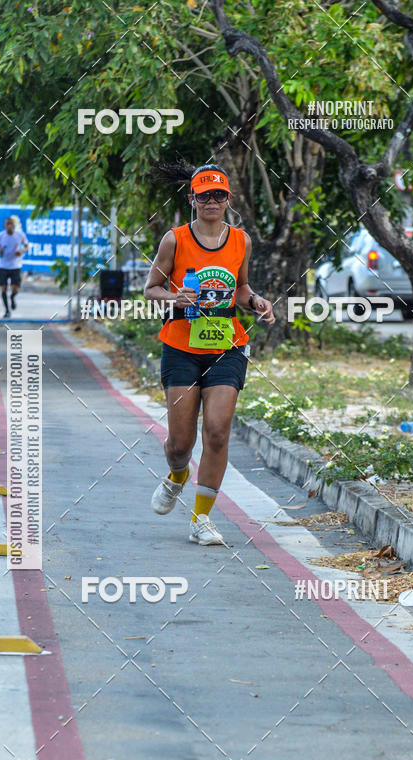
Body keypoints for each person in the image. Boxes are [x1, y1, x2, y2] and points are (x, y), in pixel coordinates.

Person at [145, 163, 275, 546]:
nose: (212, 201)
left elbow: (241, 287)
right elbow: (151, 288)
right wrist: (173, 296)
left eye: (219, 195)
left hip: (226, 347)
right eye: (205, 195)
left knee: (217, 431)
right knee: (180, 444)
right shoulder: (174, 240)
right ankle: (178, 474)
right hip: (181, 347)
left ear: (227, 200)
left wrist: (255, 301)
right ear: (193, 199)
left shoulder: (241, 241)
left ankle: (201, 518)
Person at [0, 217, 29, 317]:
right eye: (7, 224)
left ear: (14, 225)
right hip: (3, 265)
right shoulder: (0, 236)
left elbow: (27, 246)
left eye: (11, 224)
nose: (9, 226)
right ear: (5, 226)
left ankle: (12, 297)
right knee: (3, 288)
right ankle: (7, 310)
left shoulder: (20, 235)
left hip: (15, 265)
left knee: (15, 288)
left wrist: (21, 251)